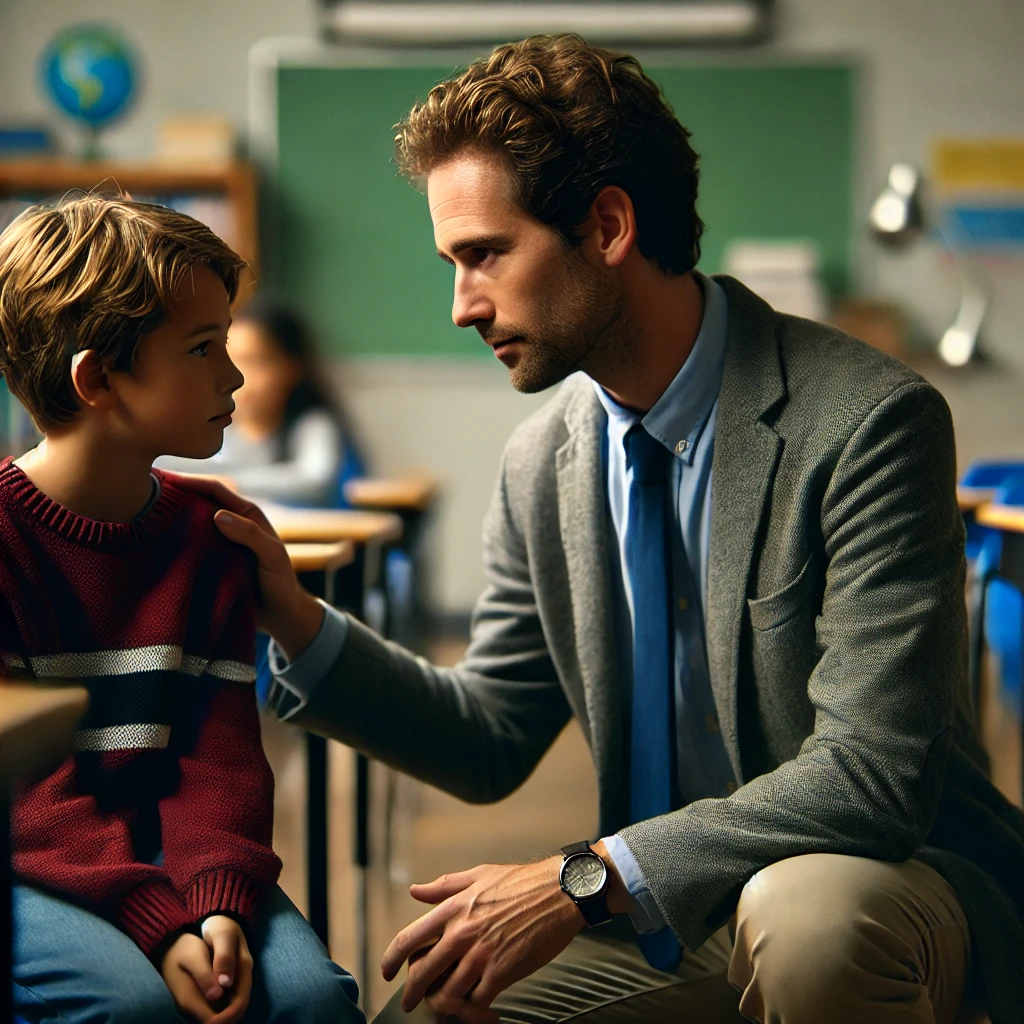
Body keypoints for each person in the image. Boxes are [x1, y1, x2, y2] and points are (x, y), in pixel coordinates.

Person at [185, 34, 1024, 1024]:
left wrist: (582, 875)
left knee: (808, 920)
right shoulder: (543, 461)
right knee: (425, 1009)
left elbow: (872, 778)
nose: (461, 305)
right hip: (664, 912)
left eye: (485, 254)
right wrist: (295, 618)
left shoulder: (868, 420)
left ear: (609, 226)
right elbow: (489, 735)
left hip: (882, 884)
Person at [0, 194, 362, 1024]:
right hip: (29, 859)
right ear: (98, 381)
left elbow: (220, 756)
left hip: (179, 853)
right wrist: (159, 926)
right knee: (136, 1009)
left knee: (315, 1002)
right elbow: (26, 793)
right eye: (203, 348)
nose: (234, 376)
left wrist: (220, 901)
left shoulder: (211, 534)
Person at [157, 298, 363, 508]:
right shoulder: (218, 428)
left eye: (255, 362)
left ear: (291, 368)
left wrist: (231, 483)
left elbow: (315, 481)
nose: (238, 376)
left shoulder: (312, 425)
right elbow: (166, 464)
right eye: (230, 360)